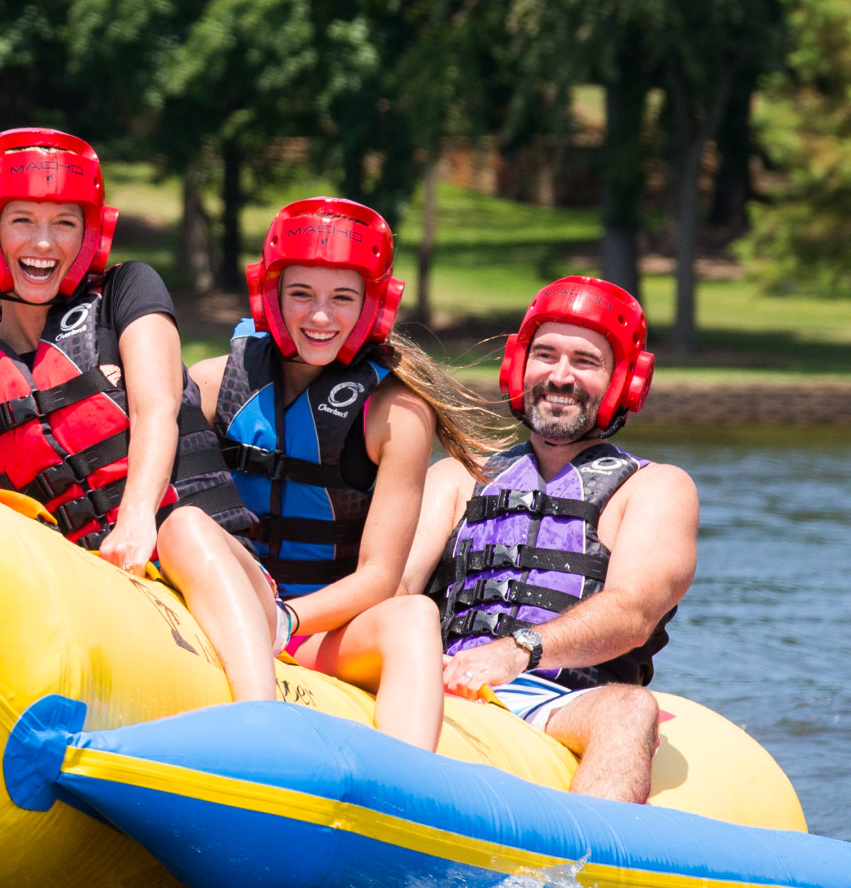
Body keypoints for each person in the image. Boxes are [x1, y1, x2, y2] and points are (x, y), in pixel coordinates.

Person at [0, 129, 281, 700]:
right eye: (21, 221)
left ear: (92, 233)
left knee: (182, 527)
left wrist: (138, 520)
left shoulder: (127, 291)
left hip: (211, 567)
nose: (45, 243)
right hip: (94, 601)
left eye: (65, 222)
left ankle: (262, 719)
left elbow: (158, 407)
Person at [189, 199, 508, 751]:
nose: (320, 316)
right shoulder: (212, 383)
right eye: (301, 295)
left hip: (313, 631)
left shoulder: (397, 414)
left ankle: (406, 795)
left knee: (412, 614)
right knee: (188, 525)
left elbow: (379, 578)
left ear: (373, 306)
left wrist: (284, 622)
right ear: (270, 296)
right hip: (214, 600)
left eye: (342, 297)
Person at [399, 276, 697, 802]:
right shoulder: (455, 476)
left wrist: (516, 652)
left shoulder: (654, 487)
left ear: (624, 381)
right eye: (545, 355)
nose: (560, 376)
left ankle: (594, 873)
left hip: (562, 702)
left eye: (585, 361)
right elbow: (394, 591)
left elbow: (633, 613)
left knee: (631, 707)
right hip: (439, 679)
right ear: (518, 366)